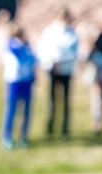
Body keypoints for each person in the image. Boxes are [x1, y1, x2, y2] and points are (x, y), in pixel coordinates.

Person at [37, 8, 79, 137]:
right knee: (52, 100)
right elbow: (43, 49)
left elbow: (74, 52)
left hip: (66, 70)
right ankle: (50, 126)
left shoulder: (72, 33)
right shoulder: (50, 31)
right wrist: (50, 62)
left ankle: (64, 128)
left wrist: (63, 61)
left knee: (66, 100)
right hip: (52, 69)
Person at [1, 24, 37, 150]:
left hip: (26, 81)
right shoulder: (11, 47)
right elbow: (18, 61)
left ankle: (23, 136)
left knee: (26, 111)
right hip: (14, 82)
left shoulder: (27, 48)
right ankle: (7, 137)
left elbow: (34, 60)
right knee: (11, 111)